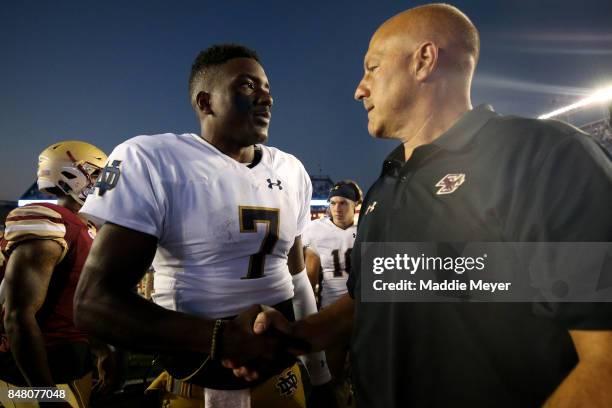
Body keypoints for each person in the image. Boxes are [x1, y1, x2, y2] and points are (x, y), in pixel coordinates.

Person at [229, 4, 612, 407]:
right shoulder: (386, 185)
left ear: (424, 61)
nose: (360, 88)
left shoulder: (542, 158)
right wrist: (295, 337)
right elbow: (370, 301)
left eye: (372, 68)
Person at [74, 44, 332, 407]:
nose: (266, 98)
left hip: (283, 383)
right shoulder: (153, 159)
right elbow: (93, 303)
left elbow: (295, 277)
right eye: (247, 86)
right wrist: (222, 338)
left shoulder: (291, 170)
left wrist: (319, 373)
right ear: (205, 102)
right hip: (196, 388)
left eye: (267, 88)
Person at [0, 140, 114, 408]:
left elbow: (77, 304)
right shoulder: (48, 221)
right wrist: (46, 395)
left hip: (71, 372)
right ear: (71, 174)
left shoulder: (83, 227)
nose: (105, 184)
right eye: (97, 174)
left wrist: (102, 350)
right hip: (29, 384)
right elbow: (17, 315)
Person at [302, 180, 361, 407]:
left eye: (344, 203)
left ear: (355, 205)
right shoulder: (315, 231)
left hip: (362, 311)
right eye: (333, 203)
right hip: (331, 311)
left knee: (366, 374)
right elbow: (310, 275)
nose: (337, 208)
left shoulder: (366, 227)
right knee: (332, 376)